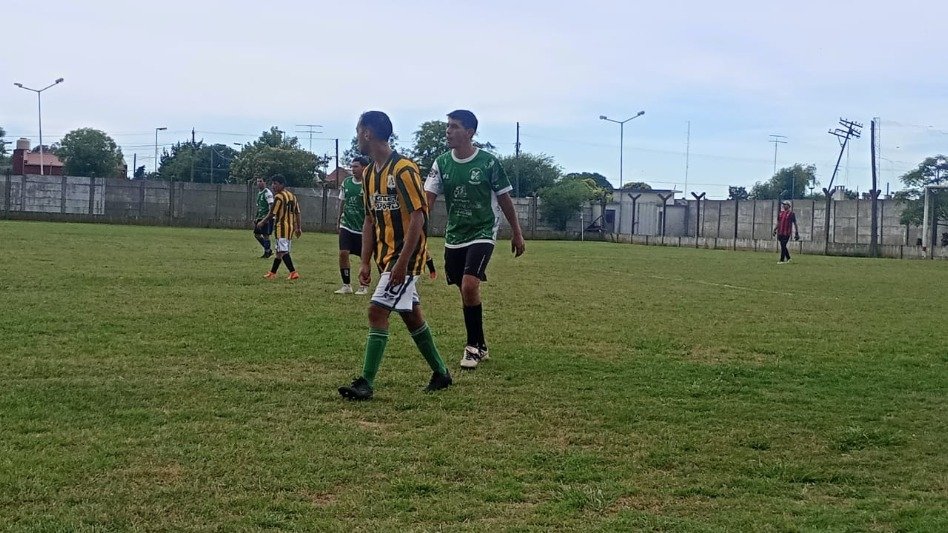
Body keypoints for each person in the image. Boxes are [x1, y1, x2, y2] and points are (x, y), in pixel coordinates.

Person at [338, 111, 451, 400]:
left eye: (358, 131)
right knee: (412, 316)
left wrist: (402, 264)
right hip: (386, 257)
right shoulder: (369, 175)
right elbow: (369, 220)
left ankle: (365, 383)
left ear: (368, 133)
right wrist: (365, 261)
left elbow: (419, 217)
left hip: (406, 258)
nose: (357, 137)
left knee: (376, 311)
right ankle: (441, 373)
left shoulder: (404, 169)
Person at [424, 110, 525, 369]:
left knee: (470, 286)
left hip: (483, 231)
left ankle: (472, 348)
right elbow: (427, 202)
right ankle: (481, 344)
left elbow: (504, 199)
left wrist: (517, 232)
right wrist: (416, 232)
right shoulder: (441, 163)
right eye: (447, 126)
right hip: (455, 234)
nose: (448, 131)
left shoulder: (488, 163)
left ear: (469, 132)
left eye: (454, 126)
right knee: (465, 290)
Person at [335, 156, 370, 295]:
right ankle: (346, 285)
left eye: (356, 166)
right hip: (346, 224)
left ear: (364, 168)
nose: (353, 169)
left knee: (364, 257)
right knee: (343, 253)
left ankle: (363, 285)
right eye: (352, 166)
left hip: (363, 227)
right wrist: (338, 220)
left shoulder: (369, 183)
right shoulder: (347, 182)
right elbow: (342, 202)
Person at [256, 175, 302, 280]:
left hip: (281, 227)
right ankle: (272, 273)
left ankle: (293, 272)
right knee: (279, 252)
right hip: (290, 228)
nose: (273, 186)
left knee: (283, 251)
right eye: (272, 183)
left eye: (275, 184)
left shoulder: (279, 197)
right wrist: (298, 227)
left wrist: (262, 222)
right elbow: (297, 212)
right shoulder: (292, 196)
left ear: (282, 184)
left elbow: (272, 213)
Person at [253, 177, 274, 258]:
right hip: (260, 217)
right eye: (257, 181)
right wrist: (256, 217)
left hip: (266, 217)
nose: (259, 183)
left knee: (265, 235)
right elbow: (259, 207)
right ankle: (268, 250)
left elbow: (271, 205)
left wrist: (268, 218)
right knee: (257, 234)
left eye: (260, 181)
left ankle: (267, 252)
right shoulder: (259, 193)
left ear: (265, 182)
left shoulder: (267, 193)